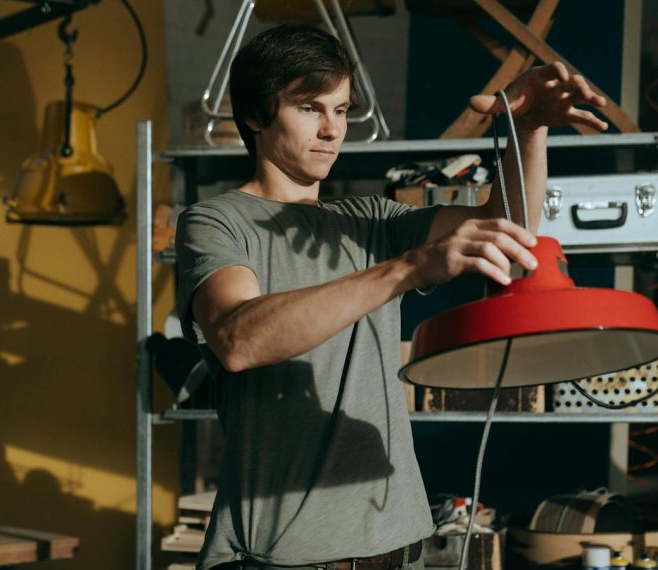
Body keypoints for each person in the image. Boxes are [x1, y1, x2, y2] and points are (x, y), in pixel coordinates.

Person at [176, 24, 607, 570]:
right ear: (256, 114)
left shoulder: (370, 220)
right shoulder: (217, 221)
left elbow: (508, 224)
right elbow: (239, 339)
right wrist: (408, 267)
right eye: (311, 107)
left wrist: (528, 128)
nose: (333, 129)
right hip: (284, 558)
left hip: (400, 550)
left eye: (342, 109)